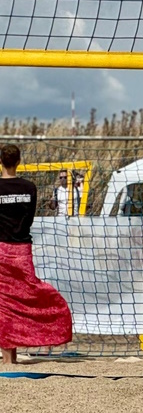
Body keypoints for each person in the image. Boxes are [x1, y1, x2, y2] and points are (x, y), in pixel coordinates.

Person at [0, 144, 72, 363]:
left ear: (1, 161)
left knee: (5, 302)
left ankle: (8, 358)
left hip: (1, 249)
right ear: (18, 161)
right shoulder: (29, 187)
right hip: (22, 248)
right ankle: (11, 356)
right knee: (27, 293)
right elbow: (29, 219)